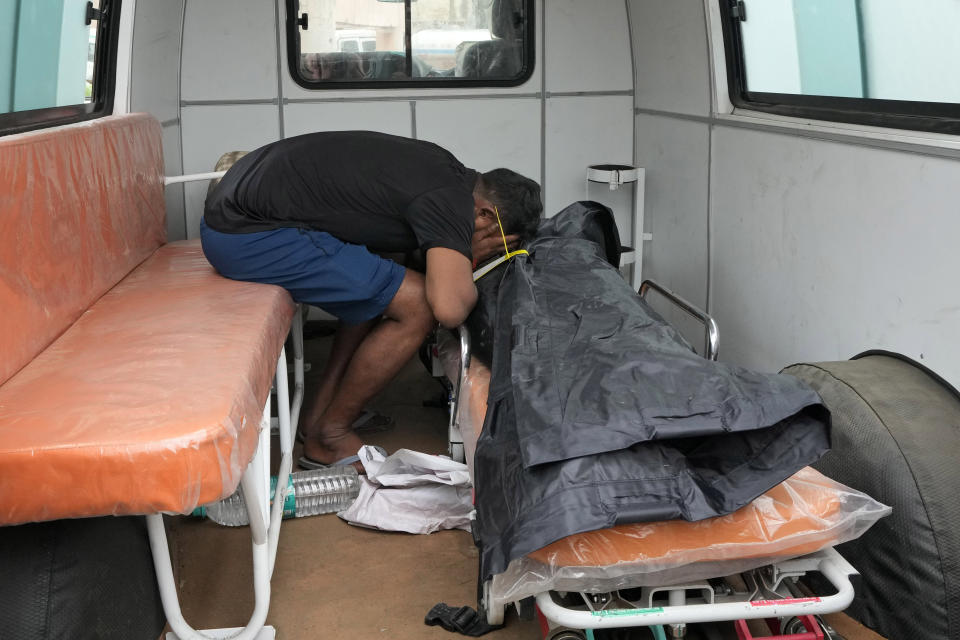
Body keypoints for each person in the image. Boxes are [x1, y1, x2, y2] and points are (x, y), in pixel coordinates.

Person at [200, 130, 542, 470]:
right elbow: (448, 308)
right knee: (417, 306)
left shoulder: (446, 170)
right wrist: (466, 257)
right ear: (484, 215)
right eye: (497, 244)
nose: (493, 254)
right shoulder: (450, 203)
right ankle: (330, 437)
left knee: (386, 270)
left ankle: (319, 415)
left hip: (232, 215)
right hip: (245, 235)